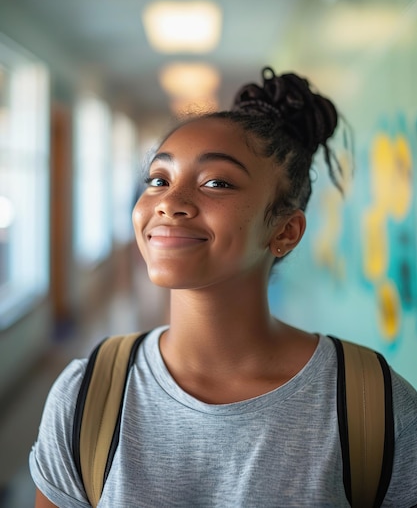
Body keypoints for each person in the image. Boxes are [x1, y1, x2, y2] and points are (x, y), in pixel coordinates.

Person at [30, 68, 417, 507]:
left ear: (285, 231)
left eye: (217, 182)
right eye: (159, 179)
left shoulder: (373, 408)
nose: (170, 203)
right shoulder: (87, 397)